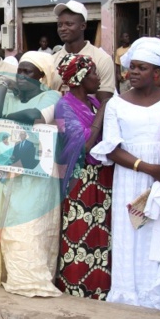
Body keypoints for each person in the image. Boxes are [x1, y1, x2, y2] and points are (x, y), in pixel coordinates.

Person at [91, 37, 160, 310]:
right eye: (131, 67)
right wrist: (148, 168)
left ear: (158, 73)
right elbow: (111, 149)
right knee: (133, 232)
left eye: (141, 68)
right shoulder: (117, 104)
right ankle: (130, 295)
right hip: (132, 178)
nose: (133, 72)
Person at [0, 51, 64, 297]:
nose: (22, 77)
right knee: (9, 228)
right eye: (20, 71)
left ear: (42, 76)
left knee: (30, 228)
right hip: (9, 174)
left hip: (37, 178)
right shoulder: (10, 96)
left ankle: (31, 280)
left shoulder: (52, 96)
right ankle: (13, 276)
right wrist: (2, 84)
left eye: (28, 72)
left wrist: (3, 120)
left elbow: (35, 116)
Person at [54, 54, 112, 299]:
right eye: (92, 74)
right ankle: (76, 287)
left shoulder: (93, 103)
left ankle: (100, 287)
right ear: (78, 79)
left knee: (102, 234)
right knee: (79, 233)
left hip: (101, 176)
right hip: (80, 180)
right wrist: (104, 110)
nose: (98, 78)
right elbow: (84, 146)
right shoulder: (64, 106)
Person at [54, 1, 115, 102]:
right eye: (59, 25)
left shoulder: (102, 59)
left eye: (69, 24)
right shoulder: (51, 61)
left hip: (90, 117)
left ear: (83, 26)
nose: (63, 29)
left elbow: (104, 103)